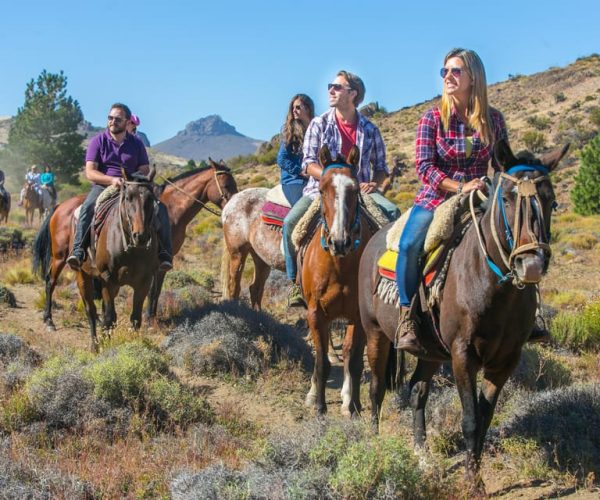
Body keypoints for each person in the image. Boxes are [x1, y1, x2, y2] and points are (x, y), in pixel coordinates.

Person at [394, 48, 509, 352]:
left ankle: (527, 314)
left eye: (456, 71)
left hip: (482, 195)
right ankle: (408, 316)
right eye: (444, 71)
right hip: (437, 197)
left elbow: (501, 164)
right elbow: (424, 167)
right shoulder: (432, 118)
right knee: (408, 245)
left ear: (474, 77)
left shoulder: (493, 120)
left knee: (519, 239)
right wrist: (458, 186)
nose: (448, 77)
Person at [283, 70, 400, 307]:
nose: (330, 90)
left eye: (337, 87)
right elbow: (308, 163)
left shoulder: (369, 129)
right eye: (330, 86)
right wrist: (331, 178)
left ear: (353, 94)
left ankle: (389, 283)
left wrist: (375, 183)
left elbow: (380, 167)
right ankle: (295, 284)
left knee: (393, 216)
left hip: (360, 193)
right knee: (290, 224)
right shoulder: (319, 124)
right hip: (322, 191)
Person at [66, 103, 173, 272]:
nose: (112, 121)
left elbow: (144, 168)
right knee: (87, 207)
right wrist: (112, 180)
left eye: (117, 119)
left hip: (133, 186)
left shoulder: (136, 143)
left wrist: (132, 179)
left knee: (160, 209)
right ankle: (78, 250)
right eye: (110, 118)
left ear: (126, 122)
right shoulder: (98, 142)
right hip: (105, 186)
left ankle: (165, 253)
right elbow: (90, 172)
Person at [277, 94, 315, 206]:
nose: (294, 110)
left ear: (308, 108)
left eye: (298, 107)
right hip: (294, 180)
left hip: (314, 178)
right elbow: (282, 159)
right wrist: (300, 171)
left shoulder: (318, 128)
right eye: (293, 108)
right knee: (303, 209)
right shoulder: (289, 131)